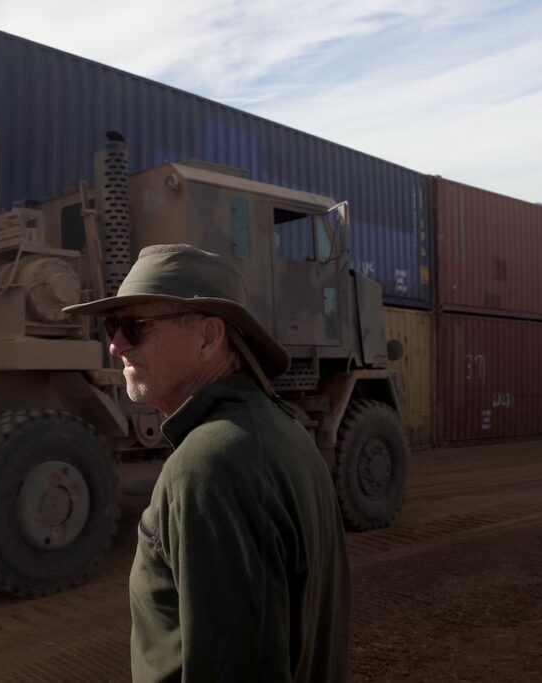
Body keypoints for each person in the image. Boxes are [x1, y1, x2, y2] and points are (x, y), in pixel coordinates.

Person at [63, 244, 351, 682]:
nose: (115, 344)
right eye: (112, 325)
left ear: (208, 337)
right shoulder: (280, 433)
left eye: (134, 327)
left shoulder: (212, 463)